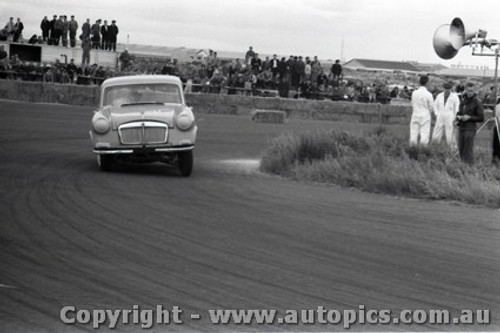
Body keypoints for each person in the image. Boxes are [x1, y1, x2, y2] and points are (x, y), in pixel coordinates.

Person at [456, 82, 484, 164]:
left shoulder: (477, 102)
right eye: (468, 91)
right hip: (461, 127)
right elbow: (459, 112)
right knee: (461, 149)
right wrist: (457, 117)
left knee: (468, 151)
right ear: (465, 90)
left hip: (470, 128)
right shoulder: (463, 100)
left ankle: (469, 169)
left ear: (474, 91)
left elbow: (481, 118)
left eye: (471, 91)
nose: (470, 93)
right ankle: (462, 168)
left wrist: (470, 118)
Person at [409, 75, 434, 150]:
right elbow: (432, 107)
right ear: (427, 83)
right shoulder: (429, 94)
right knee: (424, 133)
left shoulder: (414, 93)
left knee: (413, 133)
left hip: (416, 113)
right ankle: (423, 150)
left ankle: (412, 149)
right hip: (425, 115)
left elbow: (412, 103)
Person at [432, 81, 460, 147]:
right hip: (440, 115)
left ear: (451, 89)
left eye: (449, 89)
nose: (447, 90)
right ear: (444, 89)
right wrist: (436, 114)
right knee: (437, 131)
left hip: (450, 117)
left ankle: (452, 149)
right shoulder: (439, 96)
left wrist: (455, 117)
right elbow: (435, 105)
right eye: (446, 89)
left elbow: (457, 108)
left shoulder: (455, 97)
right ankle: (434, 147)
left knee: (450, 133)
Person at [492, 97, 500, 166]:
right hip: (498, 127)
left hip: (497, 127)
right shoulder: (498, 106)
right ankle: (496, 160)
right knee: (496, 146)